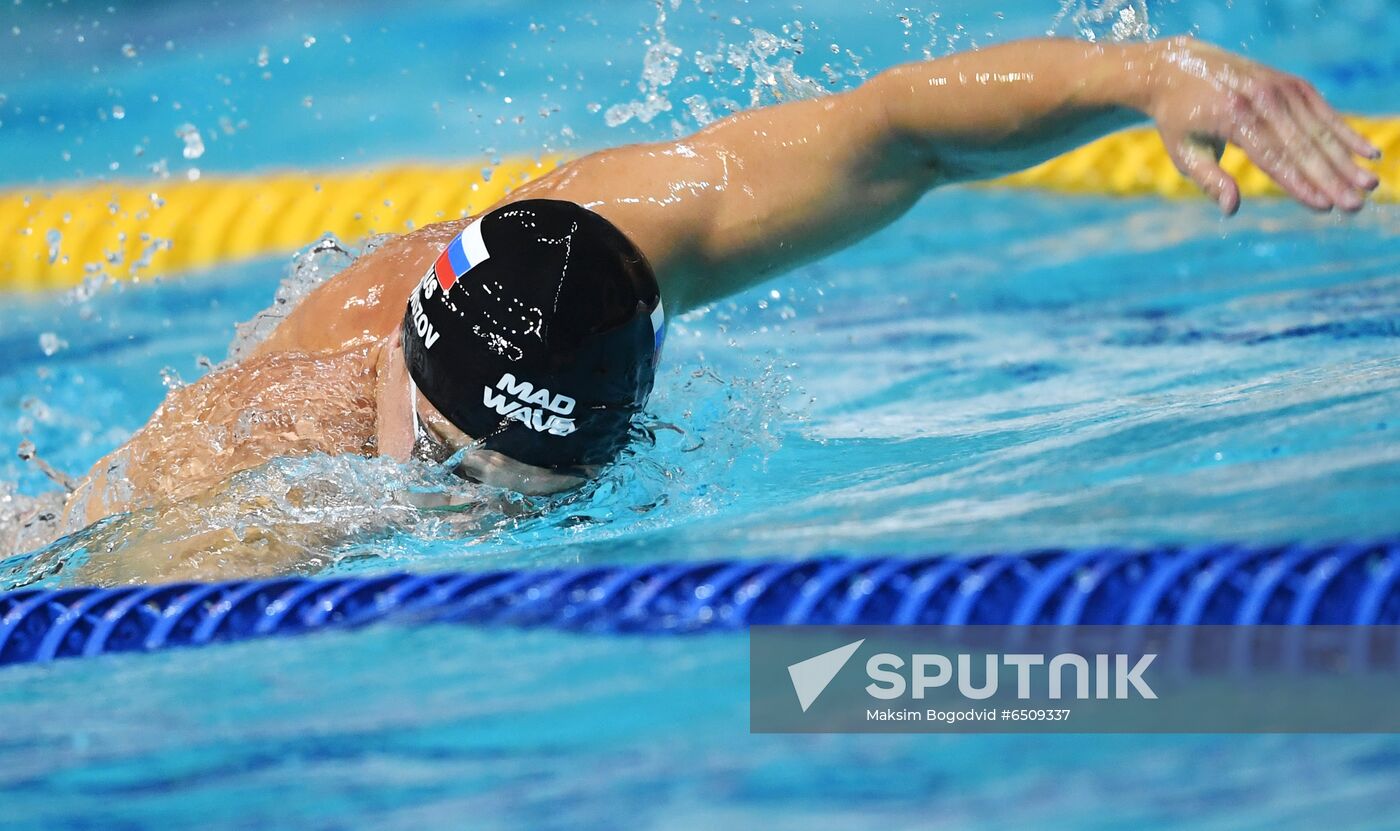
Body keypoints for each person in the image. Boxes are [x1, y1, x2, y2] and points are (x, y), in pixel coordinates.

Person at [28, 36, 1382, 583]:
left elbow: (895, 137)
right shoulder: (255, 456)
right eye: (454, 464)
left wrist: (1151, 74)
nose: (498, 511)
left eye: (545, 479)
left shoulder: (618, 241)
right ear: (402, 372)